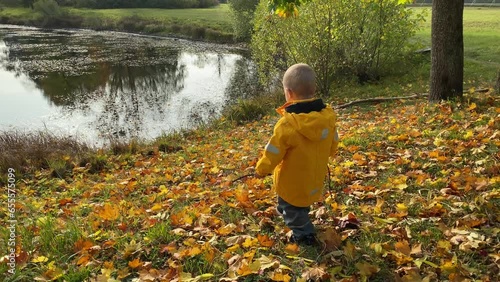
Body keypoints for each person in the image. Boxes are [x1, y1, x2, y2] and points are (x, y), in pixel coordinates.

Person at [255, 63, 339, 245]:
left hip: (292, 182)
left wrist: (262, 169)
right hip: (314, 177)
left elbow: (273, 151)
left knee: (292, 207)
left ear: (289, 93)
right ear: (314, 89)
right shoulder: (327, 117)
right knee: (299, 203)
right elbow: (334, 141)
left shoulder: (287, 125)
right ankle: (288, 212)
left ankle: (304, 235)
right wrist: (330, 152)